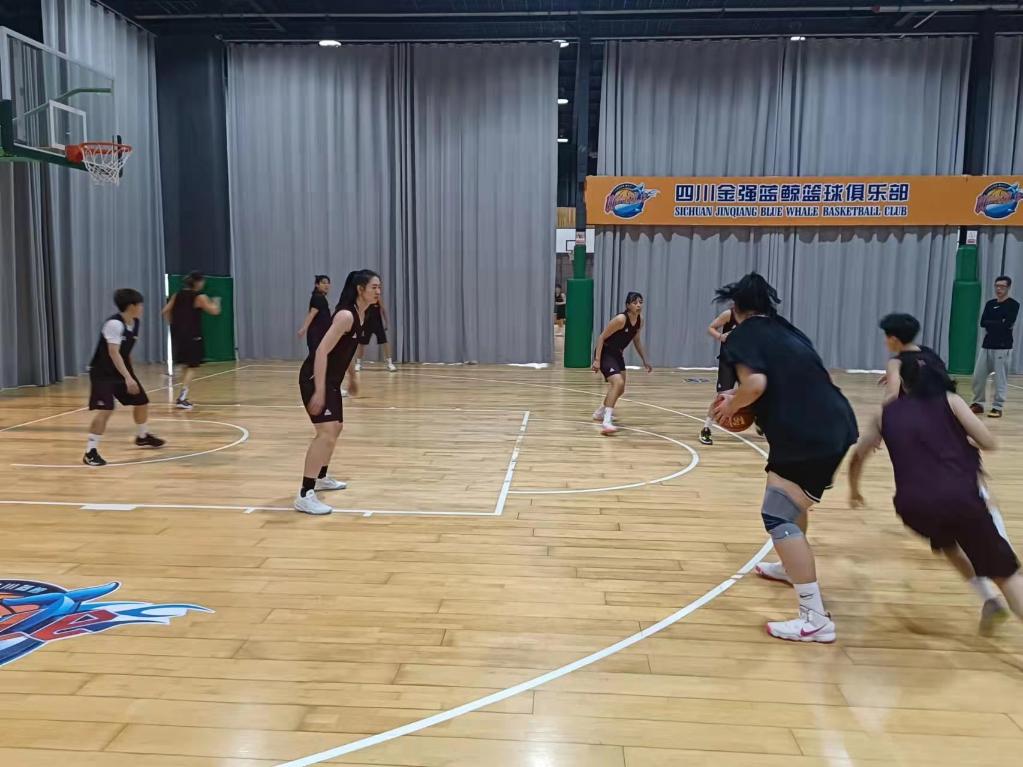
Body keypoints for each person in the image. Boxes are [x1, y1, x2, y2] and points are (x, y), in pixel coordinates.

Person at [712, 273, 858, 643]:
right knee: (790, 505)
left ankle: (815, 618)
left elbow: (755, 384)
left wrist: (732, 404)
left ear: (735, 307)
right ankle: (792, 568)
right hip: (837, 421)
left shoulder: (742, 335)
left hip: (807, 433)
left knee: (777, 513)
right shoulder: (788, 330)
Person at [849, 351, 1022, 635]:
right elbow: (989, 442)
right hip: (959, 498)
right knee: (1007, 575)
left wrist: (854, 491)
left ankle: (988, 599)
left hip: (914, 507)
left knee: (947, 543)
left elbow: (857, 456)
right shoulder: (951, 401)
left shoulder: (884, 414)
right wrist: (964, 440)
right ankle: (995, 590)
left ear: (903, 383)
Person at [295, 269, 381, 515]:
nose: (378, 291)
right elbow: (322, 351)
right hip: (315, 378)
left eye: (379, 287)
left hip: (331, 380)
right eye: (374, 287)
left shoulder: (363, 315)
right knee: (326, 433)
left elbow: (345, 350)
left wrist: (352, 377)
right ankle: (305, 494)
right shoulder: (345, 315)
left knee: (336, 428)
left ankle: (321, 477)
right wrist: (319, 390)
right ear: (360, 289)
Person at [83, 289, 165, 467]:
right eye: (140, 305)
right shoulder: (114, 324)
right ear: (131, 306)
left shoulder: (135, 323)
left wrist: (131, 374)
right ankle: (90, 452)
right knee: (106, 410)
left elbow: (125, 352)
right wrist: (128, 377)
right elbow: (113, 352)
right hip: (103, 374)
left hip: (120, 372)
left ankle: (142, 436)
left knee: (141, 401)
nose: (142, 308)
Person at [592, 292, 652, 436]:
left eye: (640, 302)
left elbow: (636, 340)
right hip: (606, 352)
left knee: (621, 389)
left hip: (617, 354)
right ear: (628, 305)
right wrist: (597, 360)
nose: (638, 305)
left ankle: (600, 412)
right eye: (635, 303)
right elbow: (601, 337)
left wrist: (644, 359)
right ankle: (606, 421)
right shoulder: (620, 319)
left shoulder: (640, 320)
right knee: (617, 382)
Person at [162, 271, 222, 410]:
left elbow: (165, 311)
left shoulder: (177, 294)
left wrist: (173, 324)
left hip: (178, 335)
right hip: (193, 335)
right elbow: (214, 311)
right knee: (192, 366)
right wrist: (217, 302)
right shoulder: (200, 297)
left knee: (186, 365)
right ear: (198, 282)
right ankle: (182, 398)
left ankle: (183, 395)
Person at [971, 275, 1018, 418]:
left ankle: (997, 407)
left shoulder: (1013, 305)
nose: (999, 289)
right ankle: (978, 404)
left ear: (1008, 288)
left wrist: (995, 323)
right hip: (987, 345)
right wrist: (999, 322)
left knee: (999, 379)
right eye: (997, 286)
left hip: (1003, 346)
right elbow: (983, 322)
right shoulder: (990, 304)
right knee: (978, 376)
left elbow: (1007, 324)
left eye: (1002, 286)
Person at [877, 313, 950, 403]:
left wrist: (882, 410)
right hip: (947, 404)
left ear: (893, 340)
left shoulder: (895, 362)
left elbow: (892, 396)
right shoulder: (928, 352)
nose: (885, 342)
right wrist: (899, 373)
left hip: (923, 408)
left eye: (886, 338)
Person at [699, 306, 737, 445]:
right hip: (728, 361)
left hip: (746, 362)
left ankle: (759, 421)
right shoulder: (729, 314)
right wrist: (720, 336)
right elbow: (711, 328)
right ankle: (706, 428)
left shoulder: (756, 317)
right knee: (722, 396)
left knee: (756, 392)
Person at [354, 286, 396, 373]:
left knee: (384, 342)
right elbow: (360, 311)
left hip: (378, 324)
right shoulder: (363, 298)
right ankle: (358, 363)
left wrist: (386, 322)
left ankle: (390, 363)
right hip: (366, 324)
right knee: (362, 344)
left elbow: (383, 309)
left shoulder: (377, 297)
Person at [297, 275, 332, 355]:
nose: (326, 285)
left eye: (328, 283)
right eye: (323, 283)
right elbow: (312, 314)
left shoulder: (320, 297)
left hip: (320, 332)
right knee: (315, 357)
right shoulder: (318, 297)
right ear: (317, 285)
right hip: (317, 333)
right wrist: (303, 328)